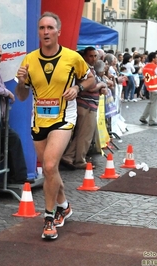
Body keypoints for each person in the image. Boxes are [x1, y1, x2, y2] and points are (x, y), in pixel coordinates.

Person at [15, 12, 95, 240]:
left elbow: (91, 79)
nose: (46, 32)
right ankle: (65, 206)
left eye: (50, 27)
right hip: (39, 121)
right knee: (51, 170)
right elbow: (21, 96)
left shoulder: (72, 58)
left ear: (58, 31)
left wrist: (78, 89)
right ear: (38, 32)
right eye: (42, 28)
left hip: (63, 118)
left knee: (49, 165)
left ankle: (49, 218)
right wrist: (21, 82)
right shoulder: (29, 59)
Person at [0, 41, 31, 184]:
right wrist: (7, 93)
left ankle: (11, 176)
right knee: (13, 139)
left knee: (10, 142)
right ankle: (19, 177)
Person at [61, 47, 105, 170]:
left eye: (95, 56)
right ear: (85, 56)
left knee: (82, 134)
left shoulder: (90, 69)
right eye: (91, 56)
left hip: (88, 105)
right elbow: (90, 87)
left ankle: (69, 157)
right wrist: (101, 85)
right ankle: (79, 160)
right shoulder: (83, 69)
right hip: (85, 105)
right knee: (85, 135)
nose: (94, 58)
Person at [139, 52, 157, 127]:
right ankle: (152, 120)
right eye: (156, 57)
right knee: (154, 104)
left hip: (149, 86)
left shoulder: (146, 66)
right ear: (153, 59)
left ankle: (143, 117)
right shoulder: (155, 67)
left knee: (151, 102)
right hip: (156, 87)